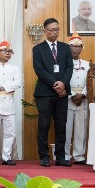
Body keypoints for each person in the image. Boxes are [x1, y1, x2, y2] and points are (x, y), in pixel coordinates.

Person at [32, 18, 73, 167]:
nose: (54, 32)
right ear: (45, 31)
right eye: (51, 30)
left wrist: (63, 84)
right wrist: (56, 84)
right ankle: (44, 156)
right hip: (44, 93)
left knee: (61, 125)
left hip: (62, 93)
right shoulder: (38, 49)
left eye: (57, 29)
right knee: (44, 125)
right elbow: (39, 70)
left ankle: (60, 157)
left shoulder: (65, 47)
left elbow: (69, 68)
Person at [0, 41, 21, 166]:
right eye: (4, 51)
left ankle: (6, 156)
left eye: (9, 51)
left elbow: (17, 83)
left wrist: (0, 87)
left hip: (9, 104)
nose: (7, 53)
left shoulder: (15, 68)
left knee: (10, 132)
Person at [65, 33, 90, 165]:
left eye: (78, 47)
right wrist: (72, 94)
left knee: (81, 129)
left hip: (83, 99)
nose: (76, 49)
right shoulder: (64, 64)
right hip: (68, 98)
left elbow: (91, 82)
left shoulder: (87, 64)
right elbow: (63, 80)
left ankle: (79, 155)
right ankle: (65, 155)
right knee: (67, 128)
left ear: (81, 48)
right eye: (73, 47)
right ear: (69, 48)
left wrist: (83, 94)